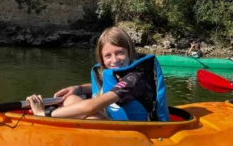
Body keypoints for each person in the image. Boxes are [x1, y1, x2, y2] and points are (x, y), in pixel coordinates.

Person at [25, 26, 170, 121]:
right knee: (70, 99)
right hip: (116, 125)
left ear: (129, 52)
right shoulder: (115, 74)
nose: (114, 60)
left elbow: (91, 107)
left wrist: (44, 114)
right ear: (101, 58)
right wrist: (79, 88)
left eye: (119, 53)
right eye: (108, 56)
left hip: (138, 133)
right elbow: (106, 86)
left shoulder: (135, 78)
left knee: (89, 115)